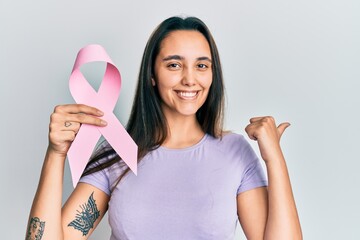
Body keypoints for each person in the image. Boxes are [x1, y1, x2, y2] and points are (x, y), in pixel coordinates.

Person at [26, 16, 302, 240]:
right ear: (152, 76)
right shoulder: (118, 153)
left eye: (201, 65)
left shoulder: (235, 153)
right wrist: (56, 154)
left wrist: (274, 159)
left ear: (212, 74)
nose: (189, 79)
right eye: (174, 64)